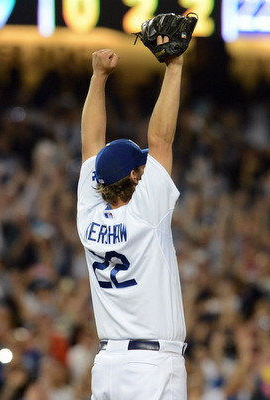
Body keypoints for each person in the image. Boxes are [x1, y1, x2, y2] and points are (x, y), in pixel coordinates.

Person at [76, 39, 187, 399]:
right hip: (151, 368)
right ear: (136, 178)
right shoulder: (145, 215)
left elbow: (91, 142)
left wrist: (98, 78)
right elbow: (161, 139)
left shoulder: (89, 216)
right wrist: (174, 66)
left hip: (107, 366)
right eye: (142, 167)